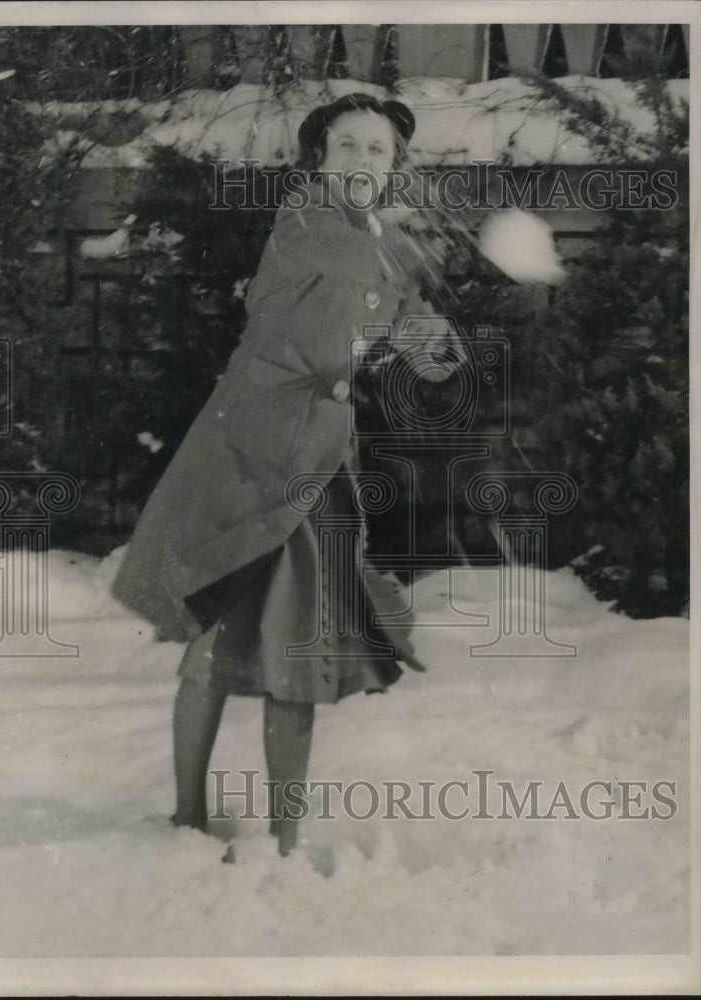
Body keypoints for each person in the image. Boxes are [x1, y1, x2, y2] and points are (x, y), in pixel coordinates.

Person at [112, 92, 454, 856]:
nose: (363, 160)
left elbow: (426, 358)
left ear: (393, 165)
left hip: (316, 458)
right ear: (319, 158)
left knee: (293, 642)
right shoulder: (307, 217)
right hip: (253, 453)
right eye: (348, 145)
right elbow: (361, 271)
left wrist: (424, 335)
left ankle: (281, 834)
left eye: (378, 149)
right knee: (225, 632)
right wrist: (408, 287)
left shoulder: (368, 241)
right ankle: (191, 817)